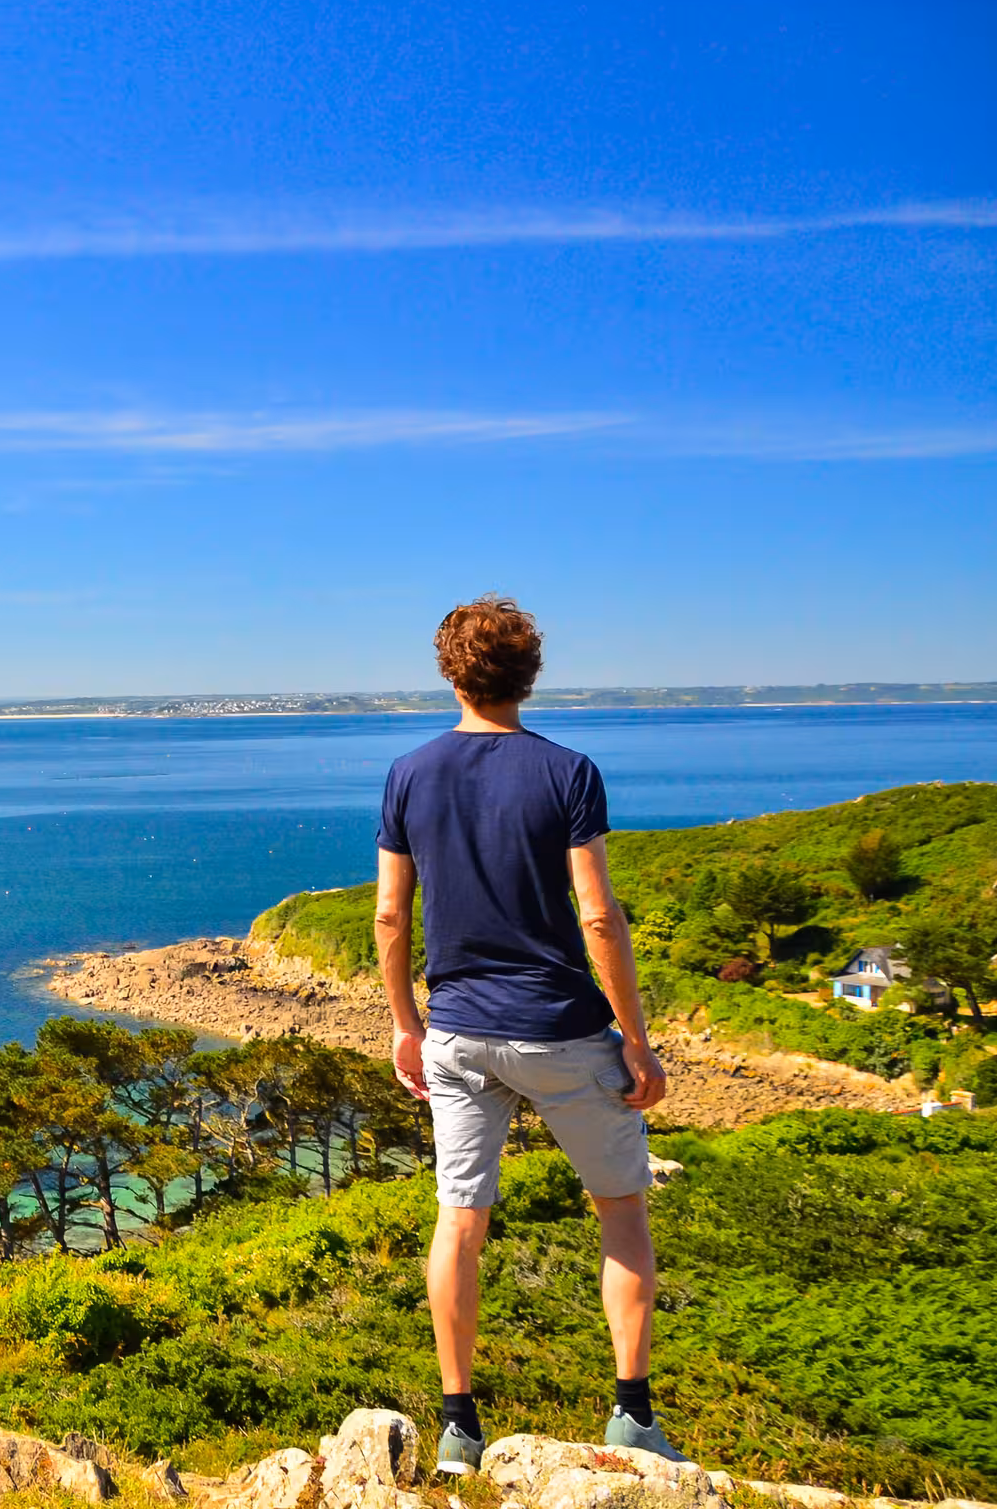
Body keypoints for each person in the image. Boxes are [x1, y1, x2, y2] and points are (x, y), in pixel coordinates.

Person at [371, 596, 686, 1473]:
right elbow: (598, 916)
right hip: (562, 1031)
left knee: (458, 1220)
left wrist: (405, 1026)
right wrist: (635, 1037)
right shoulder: (570, 771)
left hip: (458, 1034)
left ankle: (458, 1429)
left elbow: (392, 917)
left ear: (450, 672)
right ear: (531, 674)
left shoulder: (408, 773)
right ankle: (631, 1416)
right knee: (620, 1211)